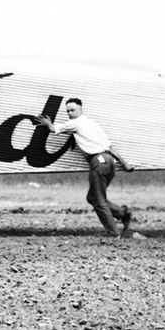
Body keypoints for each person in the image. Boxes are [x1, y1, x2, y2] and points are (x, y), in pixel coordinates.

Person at [30, 98, 134, 237]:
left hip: (98, 162)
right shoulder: (93, 124)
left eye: (72, 110)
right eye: (68, 111)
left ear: (81, 109)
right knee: (92, 197)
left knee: (98, 200)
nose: (70, 113)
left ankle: (113, 233)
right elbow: (111, 147)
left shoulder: (76, 123)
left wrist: (47, 123)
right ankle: (122, 213)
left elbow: (53, 129)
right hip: (110, 161)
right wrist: (125, 163)